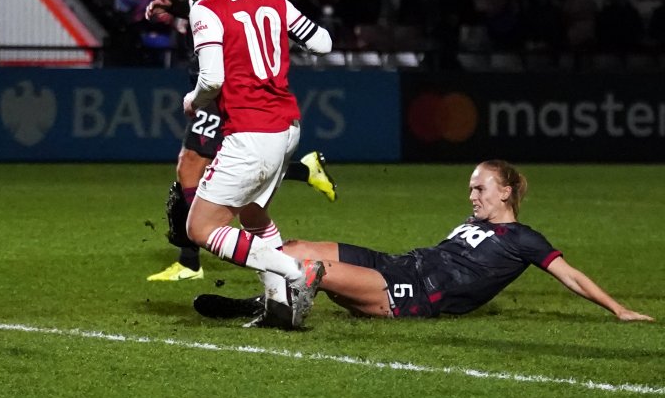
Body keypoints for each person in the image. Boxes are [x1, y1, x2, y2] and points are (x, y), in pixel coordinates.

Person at [146, 0, 337, 285]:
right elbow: (323, 44)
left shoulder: (207, 6)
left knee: (200, 228)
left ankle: (294, 274)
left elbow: (213, 79)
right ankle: (281, 301)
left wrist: (192, 99)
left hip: (251, 130)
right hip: (288, 127)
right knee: (252, 215)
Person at [195, 160, 654, 324]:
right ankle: (271, 301)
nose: (471, 194)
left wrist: (618, 309)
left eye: (480, 188)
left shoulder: (524, 239)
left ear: (506, 192)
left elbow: (568, 274)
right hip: (400, 266)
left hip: (413, 296)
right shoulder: (473, 225)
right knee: (293, 249)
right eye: (471, 188)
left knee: (318, 272)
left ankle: (266, 306)